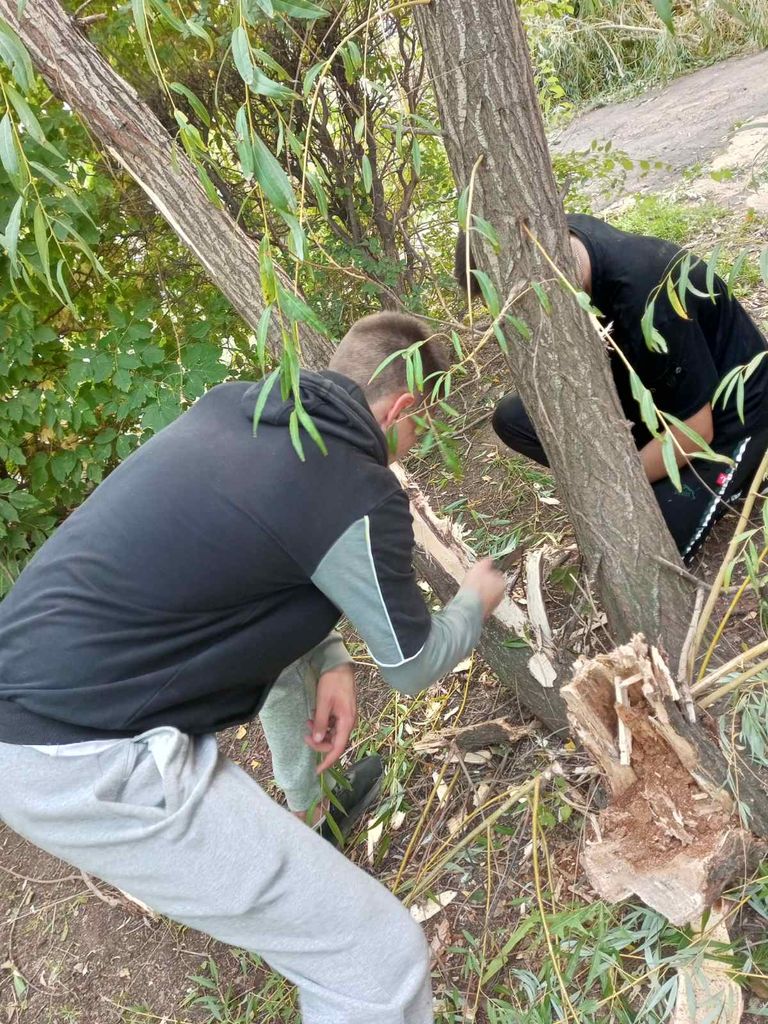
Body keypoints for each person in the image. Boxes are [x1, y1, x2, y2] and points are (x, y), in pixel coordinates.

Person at [0, 311, 507, 1024]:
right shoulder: (358, 489)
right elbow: (414, 664)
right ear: (404, 409)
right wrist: (475, 602)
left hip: (38, 693)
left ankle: (314, 819)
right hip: (87, 758)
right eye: (420, 429)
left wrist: (329, 658)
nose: (415, 446)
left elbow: (243, 563)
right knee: (373, 959)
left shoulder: (237, 409)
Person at [456, 214, 768, 561]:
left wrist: (614, 488)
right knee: (514, 418)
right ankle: (644, 483)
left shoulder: (646, 295)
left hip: (728, 419)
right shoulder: (562, 246)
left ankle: (740, 474)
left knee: (646, 551)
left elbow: (695, 431)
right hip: (652, 397)